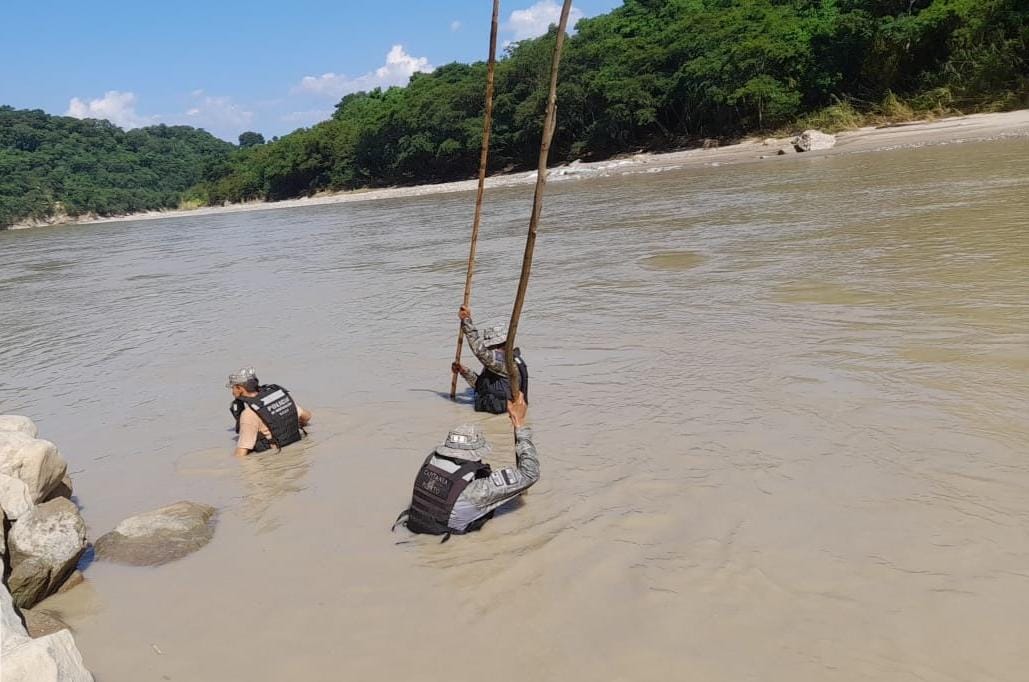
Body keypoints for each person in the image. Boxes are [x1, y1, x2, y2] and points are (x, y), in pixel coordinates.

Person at [393, 396, 539, 539]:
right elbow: (529, 473)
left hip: (415, 528)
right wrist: (519, 425)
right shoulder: (477, 491)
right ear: (475, 453)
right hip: (446, 541)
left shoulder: (430, 460)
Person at [451, 305, 529, 414]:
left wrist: (466, 321)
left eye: (490, 348)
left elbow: (480, 352)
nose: (489, 351)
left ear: (500, 345)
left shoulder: (507, 363)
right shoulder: (498, 364)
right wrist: (464, 371)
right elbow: (481, 386)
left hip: (505, 416)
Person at [226, 367, 311, 457]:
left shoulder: (248, 414)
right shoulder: (278, 396)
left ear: (240, 388)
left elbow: (241, 454)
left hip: (276, 457)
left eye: (233, 388)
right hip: (299, 452)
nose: (232, 392)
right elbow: (307, 416)